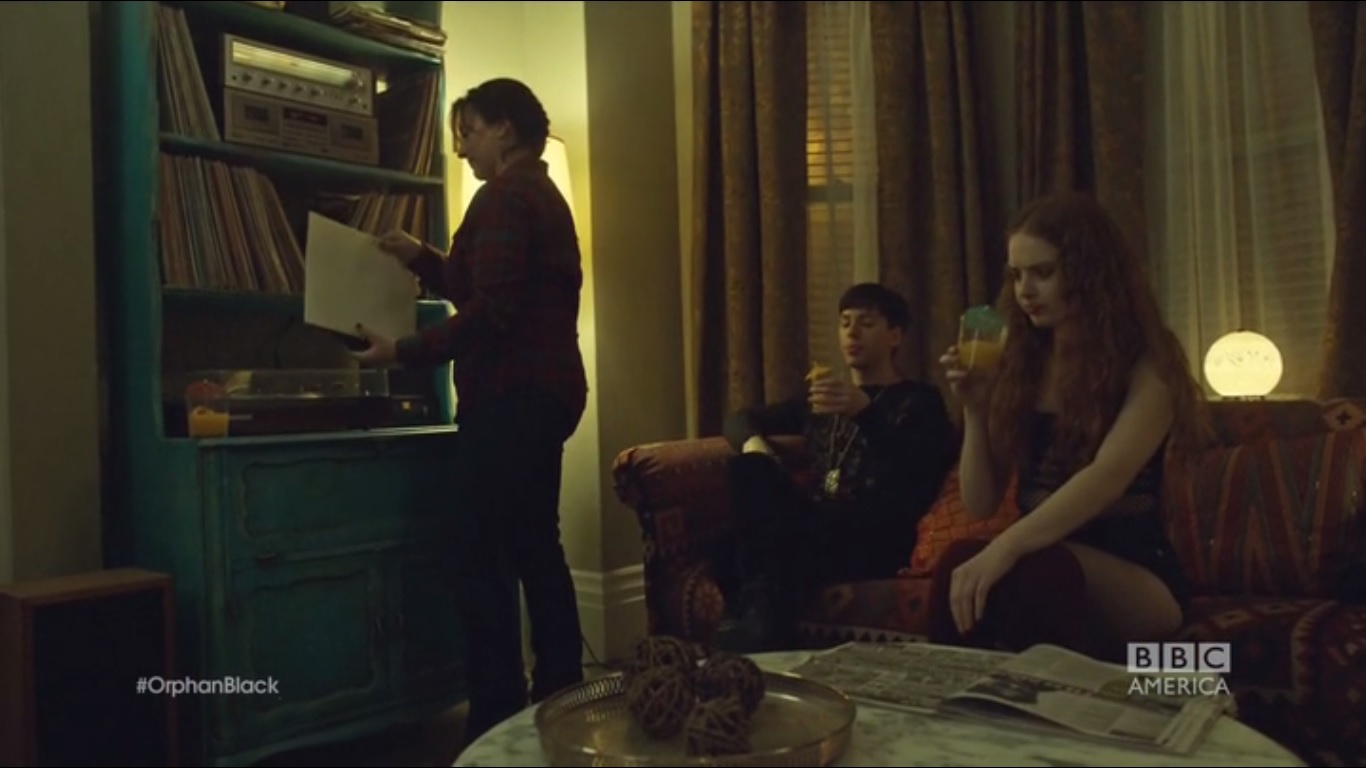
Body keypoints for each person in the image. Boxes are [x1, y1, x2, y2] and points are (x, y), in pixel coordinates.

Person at [352, 78, 587, 743]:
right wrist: (423, 258)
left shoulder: (504, 196)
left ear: (505, 129)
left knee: (472, 547)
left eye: (470, 132)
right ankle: (561, 698)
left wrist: (402, 350)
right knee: (534, 542)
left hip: (511, 397)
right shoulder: (542, 195)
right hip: (548, 394)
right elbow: (486, 287)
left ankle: (496, 712)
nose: (460, 149)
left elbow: (491, 313)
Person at [931, 191, 1210, 663]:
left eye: (1043, 273)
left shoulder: (1149, 363)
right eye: (1016, 275)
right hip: (1038, 559)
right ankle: (954, 701)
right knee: (959, 564)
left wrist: (1005, 547)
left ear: (1088, 273)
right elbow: (980, 502)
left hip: (1136, 575)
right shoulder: (1023, 362)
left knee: (1033, 568)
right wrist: (976, 412)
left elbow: (1107, 475)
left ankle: (1049, 700)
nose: (1025, 291)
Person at [717, 283, 956, 650]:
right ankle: (761, 616)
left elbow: (912, 470)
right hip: (819, 520)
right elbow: (739, 419)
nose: (853, 333)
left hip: (876, 534)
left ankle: (762, 619)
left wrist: (865, 412)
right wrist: (755, 445)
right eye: (845, 323)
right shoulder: (823, 402)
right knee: (747, 472)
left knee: (762, 546)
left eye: (866, 323)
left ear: (895, 336)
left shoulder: (919, 400)